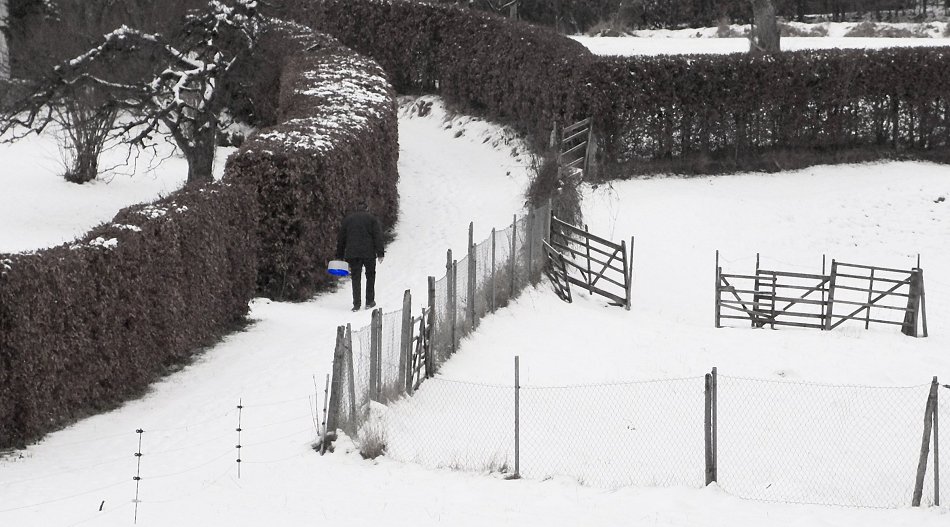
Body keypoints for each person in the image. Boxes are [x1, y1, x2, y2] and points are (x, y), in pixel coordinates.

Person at [336, 199, 385, 311]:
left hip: (353, 253)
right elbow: (377, 237)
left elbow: (341, 239)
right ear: (367, 208)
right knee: (370, 276)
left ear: (356, 208)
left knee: (356, 278)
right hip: (369, 253)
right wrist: (380, 253)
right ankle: (369, 301)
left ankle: (356, 304)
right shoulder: (372, 219)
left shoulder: (348, 220)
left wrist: (339, 255)